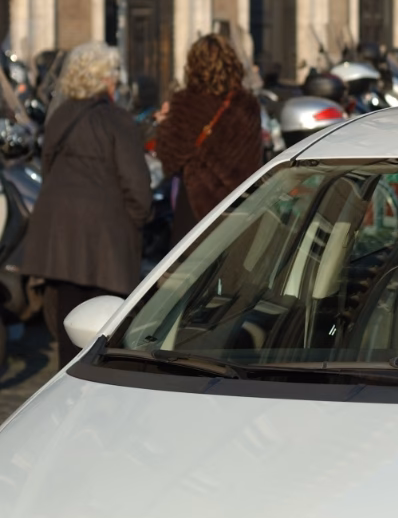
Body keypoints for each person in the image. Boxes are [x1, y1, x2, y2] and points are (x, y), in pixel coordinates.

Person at [21, 42, 152, 369]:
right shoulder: (117, 119)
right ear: (104, 79)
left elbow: (49, 168)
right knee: (106, 324)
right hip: (105, 235)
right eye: (113, 74)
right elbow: (136, 184)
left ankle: (69, 382)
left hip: (60, 231)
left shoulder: (59, 116)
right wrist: (136, 221)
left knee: (70, 319)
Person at [155, 34, 263, 246]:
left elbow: (169, 160)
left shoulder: (184, 103)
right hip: (237, 207)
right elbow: (254, 160)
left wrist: (163, 125)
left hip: (195, 210)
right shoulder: (247, 104)